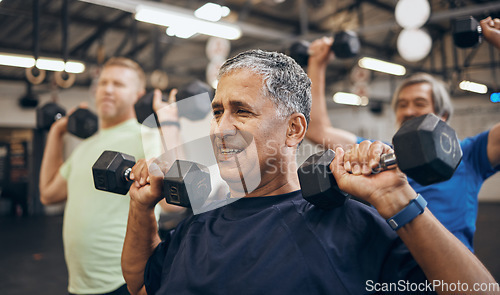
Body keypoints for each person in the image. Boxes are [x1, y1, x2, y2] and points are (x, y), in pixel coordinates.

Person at [120, 50, 498, 295]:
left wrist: (399, 200)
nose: (220, 128)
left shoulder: (348, 224)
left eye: (242, 111)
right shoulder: (200, 219)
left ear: (294, 130)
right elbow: (140, 285)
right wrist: (140, 210)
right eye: (217, 112)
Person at [305, 26, 500, 251]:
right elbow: (317, 130)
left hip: (448, 277)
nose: (408, 111)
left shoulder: (470, 153)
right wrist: (317, 63)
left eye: (419, 104)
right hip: (389, 277)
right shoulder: (378, 155)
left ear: (442, 116)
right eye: (402, 104)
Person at [39, 57, 183, 295]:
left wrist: (169, 125)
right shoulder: (86, 146)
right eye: (103, 83)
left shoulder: (147, 135)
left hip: (126, 280)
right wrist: (57, 133)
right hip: (79, 283)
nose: (107, 89)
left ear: (138, 95)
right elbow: (48, 194)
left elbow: (173, 203)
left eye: (118, 84)